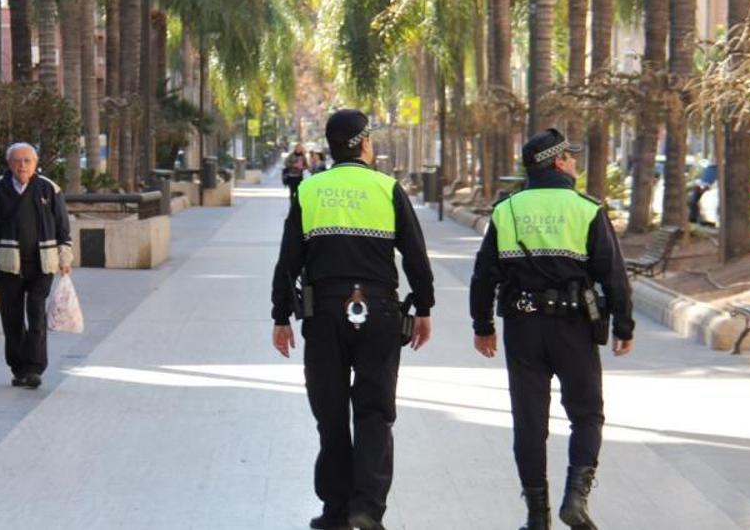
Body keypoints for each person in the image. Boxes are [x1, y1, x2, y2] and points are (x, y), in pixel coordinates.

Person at [270, 109, 435, 530]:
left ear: (330, 145)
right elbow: (415, 255)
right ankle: (367, 510)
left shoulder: (310, 190)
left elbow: (289, 260)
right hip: (379, 312)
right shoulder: (386, 188)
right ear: (363, 143)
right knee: (375, 412)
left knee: (330, 413)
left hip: (323, 314)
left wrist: (280, 316)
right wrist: (424, 308)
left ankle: (335, 511)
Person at [470, 128, 635, 530]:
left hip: (523, 329)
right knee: (587, 413)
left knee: (529, 421)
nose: (575, 164)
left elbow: (483, 275)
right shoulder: (586, 209)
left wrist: (483, 325)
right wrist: (624, 326)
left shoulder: (506, 210)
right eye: (571, 157)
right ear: (559, 162)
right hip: (573, 328)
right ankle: (575, 500)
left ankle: (536, 516)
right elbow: (613, 275)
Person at [0, 143, 74, 389]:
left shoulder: (48, 189)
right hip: (9, 265)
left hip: (43, 263)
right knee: (12, 317)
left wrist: (65, 258)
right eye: (17, 161)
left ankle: (35, 368)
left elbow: (63, 225)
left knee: (36, 312)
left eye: (27, 161)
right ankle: (18, 368)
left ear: (35, 163)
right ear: (9, 164)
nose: (22, 165)